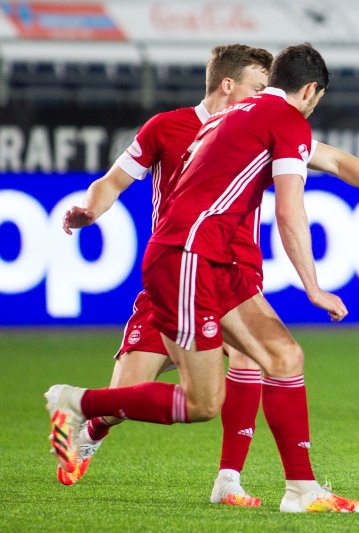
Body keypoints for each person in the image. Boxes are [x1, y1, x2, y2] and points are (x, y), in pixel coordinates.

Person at [49, 43, 359, 513]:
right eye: (259, 84)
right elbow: (290, 209)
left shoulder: (243, 116)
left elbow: (334, 160)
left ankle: (286, 487)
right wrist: (312, 286)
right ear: (308, 91)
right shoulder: (217, 122)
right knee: (189, 401)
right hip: (187, 261)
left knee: (281, 355)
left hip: (223, 266)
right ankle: (79, 406)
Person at [59, 43, 273, 506]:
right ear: (228, 84)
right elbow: (113, 180)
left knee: (251, 357)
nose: (265, 98)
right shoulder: (167, 127)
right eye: (258, 88)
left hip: (233, 276)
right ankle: (91, 419)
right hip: (175, 278)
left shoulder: (261, 131)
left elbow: (309, 164)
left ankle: (229, 480)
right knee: (124, 397)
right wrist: (90, 210)